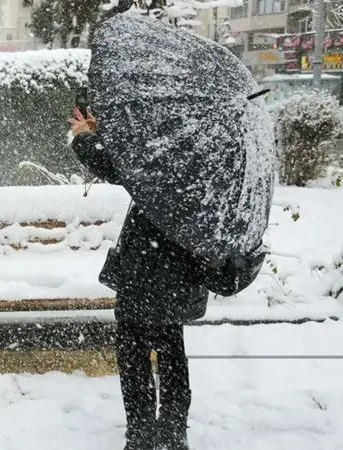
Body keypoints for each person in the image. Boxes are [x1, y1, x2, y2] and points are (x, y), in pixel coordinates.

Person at [68, 108, 266, 450]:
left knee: (134, 357)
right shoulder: (213, 163)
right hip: (181, 276)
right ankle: (174, 433)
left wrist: (85, 135)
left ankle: (142, 434)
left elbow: (111, 165)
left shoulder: (164, 155)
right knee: (172, 353)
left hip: (143, 274)